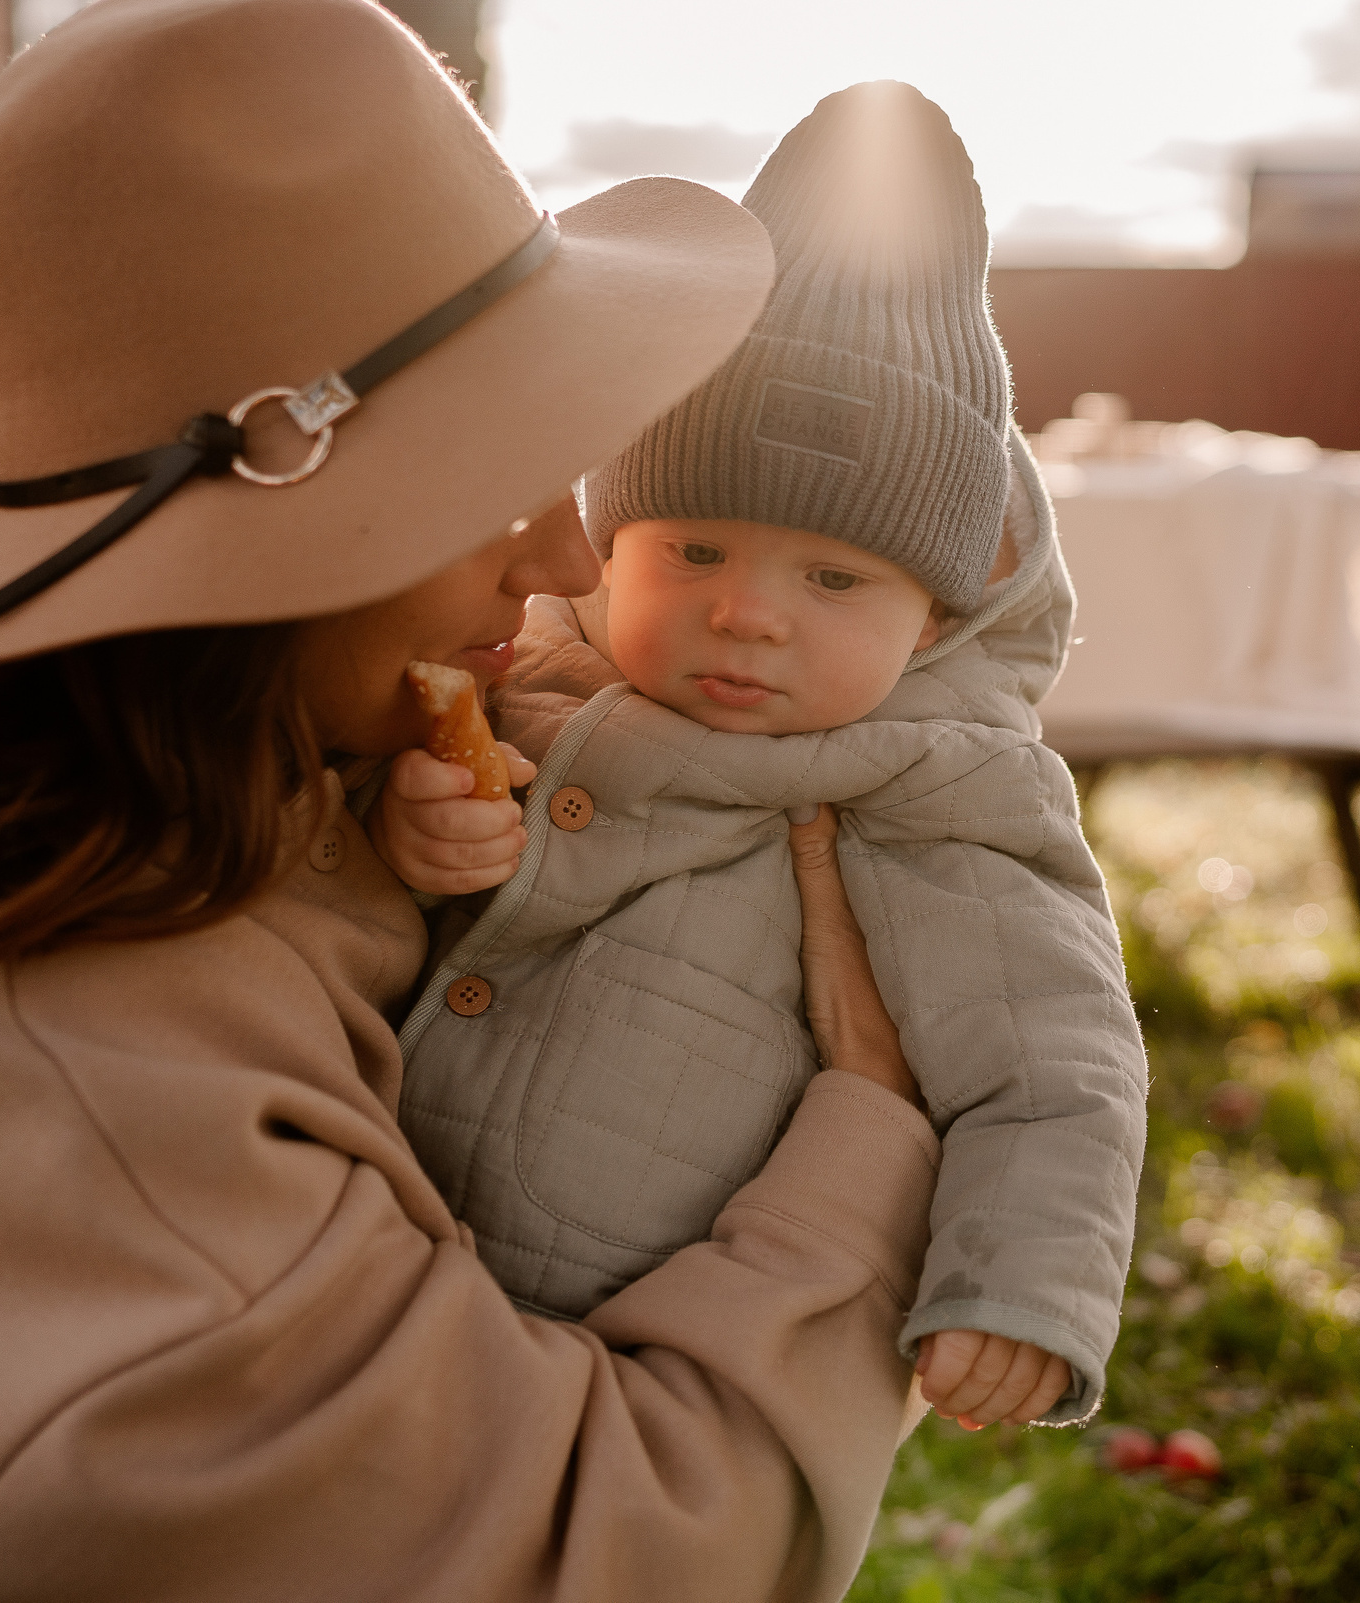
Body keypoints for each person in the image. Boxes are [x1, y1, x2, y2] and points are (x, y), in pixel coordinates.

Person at [0, 0, 943, 1602]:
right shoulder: (148, 1155)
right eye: (481, 489)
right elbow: (629, 1547)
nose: (561, 564)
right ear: (252, 557)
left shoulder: (21, 802)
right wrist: (874, 1137)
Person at [367, 84, 1146, 1433]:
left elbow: (1055, 1065)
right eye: (696, 550)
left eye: (836, 578)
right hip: (387, 1260)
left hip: (649, 1327)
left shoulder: (935, 794)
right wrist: (426, 830)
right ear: (617, 545)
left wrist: (1023, 1289)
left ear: (939, 616)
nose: (746, 612)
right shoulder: (531, 686)